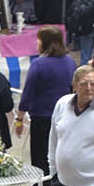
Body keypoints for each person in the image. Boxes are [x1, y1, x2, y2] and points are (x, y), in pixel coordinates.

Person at [16, 27, 76, 172]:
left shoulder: (39, 64)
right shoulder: (69, 62)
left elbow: (28, 93)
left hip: (41, 117)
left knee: (40, 156)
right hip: (64, 115)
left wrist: (19, 118)